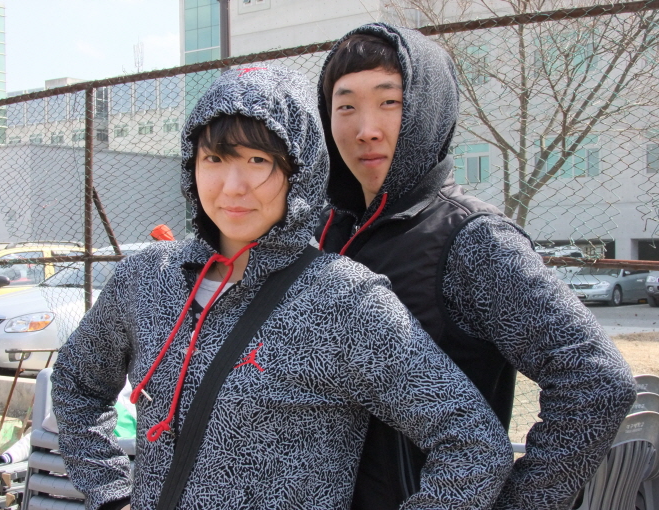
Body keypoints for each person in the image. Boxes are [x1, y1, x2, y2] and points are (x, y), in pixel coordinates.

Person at [51, 65, 513, 510]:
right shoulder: (148, 277)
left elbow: (474, 444)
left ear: (301, 171)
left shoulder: (342, 301)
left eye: (259, 160)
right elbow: (75, 382)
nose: (233, 186)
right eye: (215, 158)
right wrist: (112, 495)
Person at [315, 23, 637, 510]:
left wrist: (516, 503)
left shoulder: (471, 239)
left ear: (428, 109)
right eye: (346, 106)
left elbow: (596, 381)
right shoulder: (324, 231)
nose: (367, 129)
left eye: (389, 101)